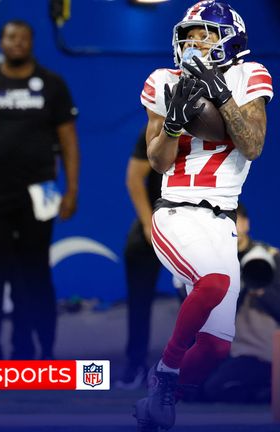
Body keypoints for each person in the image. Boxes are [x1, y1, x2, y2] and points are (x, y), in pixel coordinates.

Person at [133, 1, 273, 430]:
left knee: (215, 347)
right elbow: (156, 162)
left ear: (229, 38)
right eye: (189, 34)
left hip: (223, 222)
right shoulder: (164, 81)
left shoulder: (249, 75)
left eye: (204, 34)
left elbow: (252, 145)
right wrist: (173, 126)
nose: (194, 41)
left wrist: (221, 94)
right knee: (214, 283)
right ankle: (167, 371)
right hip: (176, 211)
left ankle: (159, 398)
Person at [0, 19, 80, 361]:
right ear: (1, 42)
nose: (17, 42)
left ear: (32, 42)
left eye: (23, 37)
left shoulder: (53, 85)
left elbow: (68, 141)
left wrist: (72, 190)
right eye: (11, 37)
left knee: (34, 276)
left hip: (41, 195)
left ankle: (35, 351)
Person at [199, 203, 280, 403]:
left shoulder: (269, 258)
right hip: (227, 352)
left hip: (259, 352)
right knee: (189, 388)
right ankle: (264, 390)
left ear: (245, 224)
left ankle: (271, 388)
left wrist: (259, 288)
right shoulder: (214, 261)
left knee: (213, 390)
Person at [116, 129, 164, 390]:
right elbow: (134, 179)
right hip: (156, 222)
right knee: (139, 299)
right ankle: (135, 364)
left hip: (197, 225)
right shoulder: (155, 129)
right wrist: (148, 225)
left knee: (207, 294)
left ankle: (203, 365)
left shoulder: (212, 130)